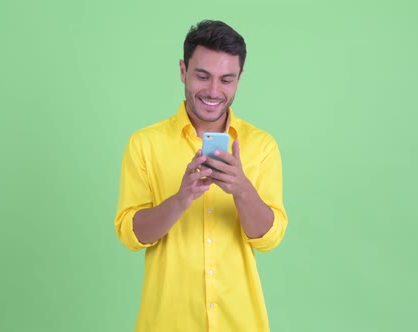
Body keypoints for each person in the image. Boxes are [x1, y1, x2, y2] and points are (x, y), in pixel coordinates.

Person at [114, 19, 288, 332]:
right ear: (183, 71)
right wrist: (181, 199)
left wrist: (241, 189)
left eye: (226, 79)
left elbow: (268, 239)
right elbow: (132, 235)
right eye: (203, 76)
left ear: (239, 79)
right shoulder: (145, 144)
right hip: (167, 322)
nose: (213, 90)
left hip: (241, 321)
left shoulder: (262, 146)